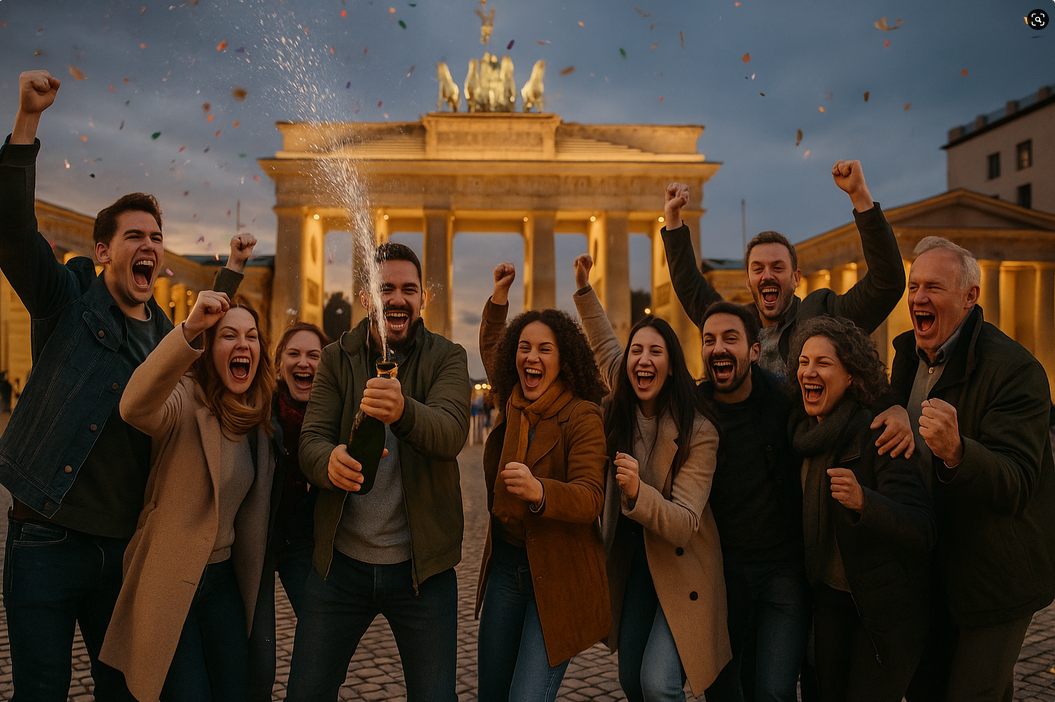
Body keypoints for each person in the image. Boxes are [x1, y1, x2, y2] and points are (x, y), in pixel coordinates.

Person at [0, 69, 251, 701]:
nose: (150, 246)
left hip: (123, 547)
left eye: (157, 238)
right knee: (40, 690)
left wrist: (233, 274)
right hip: (47, 536)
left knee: (125, 694)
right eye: (134, 235)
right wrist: (27, 123)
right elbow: (10, 234)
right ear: (103, 252)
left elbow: (206, 337)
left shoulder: (168, 332)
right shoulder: (66, 298)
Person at [287, 242, 471, 702]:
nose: (398, 298)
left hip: (422, 572)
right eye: (385, 287)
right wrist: (328, 464)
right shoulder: (336, 357)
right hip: (340, 567)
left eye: (409, 289)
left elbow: (451, 434)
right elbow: (310, 442)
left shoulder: (448, 357)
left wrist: (404, 410)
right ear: (366, 296)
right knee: (305, 693)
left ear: (422, 299)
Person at [888, 237, 1055, 701]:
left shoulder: (1016, 370)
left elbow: (1017, 481)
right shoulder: (909, 355)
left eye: (934, 287)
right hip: (931, 566)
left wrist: (959, 452)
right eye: (914, 285)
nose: (919, 297)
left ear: (970, 297)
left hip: (995, 577)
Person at [660, 161, 912, 455]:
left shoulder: (825, 316)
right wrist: (673, 219)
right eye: (758, 268)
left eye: (777, 267)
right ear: (748, 280)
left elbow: (887, 284)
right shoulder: (738, 325)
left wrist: (861, 198)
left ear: (795, 278)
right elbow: (692, 290)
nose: (767, 275)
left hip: (813, 458)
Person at [100, 293, 277, 702]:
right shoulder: (183, 397)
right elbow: (133, 407)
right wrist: (190, 329)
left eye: (251, 336)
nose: (242, 344)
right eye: (228, 335)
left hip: (221, 583)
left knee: (236, 691)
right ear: (209, 349)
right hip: (170, 580)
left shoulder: (257, 415)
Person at [571, 256, 730, 701]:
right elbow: (604, 346)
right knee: (629, 682)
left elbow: (684, 522)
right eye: (636, 351)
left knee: (657, 682)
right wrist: (585, 290)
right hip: (637, 567)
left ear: (673, 366)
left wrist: (638, 492)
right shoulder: (618, 402)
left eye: (655, 352)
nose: (642, 360)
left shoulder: (699, 430)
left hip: (685, 569)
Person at [477, 262, 610, 702]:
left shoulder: (582, 414)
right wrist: (499, 298)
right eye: (524, 348)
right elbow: (493, 345)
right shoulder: (511, 398)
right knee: (492, 694)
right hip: (506, 570)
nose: (531, 357)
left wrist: (539, 492)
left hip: (558, 575)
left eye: (545, 349)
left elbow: (591, 497)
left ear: (564, 358)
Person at [788, 316, 934, 701]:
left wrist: (864, 502)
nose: (809, 371)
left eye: (823, 362)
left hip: (879, 613)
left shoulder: (879, 434)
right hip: (828, 605)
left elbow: (922, 528)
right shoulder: (800, 435)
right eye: (803, 362)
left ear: (851, 376)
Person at [693, 300, 809, 702]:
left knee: (774, 693)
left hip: (783, 571)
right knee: (724, 691)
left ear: (754, 351)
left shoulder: (785, 399)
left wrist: (896, 409)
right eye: (709, 340)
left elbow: (847, 395)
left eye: (730, 338)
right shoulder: (693, 409)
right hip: (721, 576)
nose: (718, 348)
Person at [249, 321, 331, 702]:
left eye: (314, 355)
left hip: (301, 541)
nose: (304, 363)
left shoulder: (335, 415)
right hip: (256, 544)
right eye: (294, 354)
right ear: (279, 363)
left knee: (324, 635)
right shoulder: (257, 405)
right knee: (259, 662)